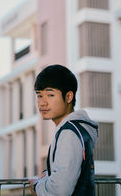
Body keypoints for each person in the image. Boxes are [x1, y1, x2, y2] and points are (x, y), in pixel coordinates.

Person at [29, 64, 98, 196]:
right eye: (39, 95)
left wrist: (37, 186)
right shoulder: (78, 129)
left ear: (68, 97)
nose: (42, 102)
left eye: (50, 95)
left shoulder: (69, 133)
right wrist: (49, 175)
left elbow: (60, 190)